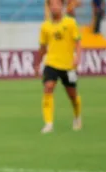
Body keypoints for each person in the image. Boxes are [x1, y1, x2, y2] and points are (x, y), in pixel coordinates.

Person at [35, 0, 82, 134]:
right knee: (48, 87)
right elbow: (43, 47)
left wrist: (77, 57)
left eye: (57, 4)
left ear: (62, 6)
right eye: (52, 5)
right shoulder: (45, 26)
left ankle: (77, 116)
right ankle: (48, 123)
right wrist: (37, 63)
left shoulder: (70, 23)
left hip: (68, 65)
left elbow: (78, 42)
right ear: (49, 7)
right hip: (51, 63)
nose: (54, 7)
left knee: (72, 94)